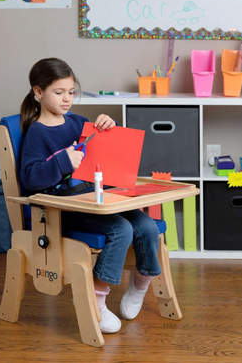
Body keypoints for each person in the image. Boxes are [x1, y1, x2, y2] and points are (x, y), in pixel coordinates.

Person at [20, 58, 162, 334]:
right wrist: (62, 162)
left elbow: (107, 147)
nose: (67, 99)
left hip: (96, 200)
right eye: (58, 92)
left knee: (147, 226)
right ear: (38, 92)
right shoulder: (37, 133)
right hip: (65, 209)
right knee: (120, 229)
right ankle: (97, 299)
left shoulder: (76, 123)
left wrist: (111, 124)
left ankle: (141, 283)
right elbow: (30, 178)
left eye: (71, 92)